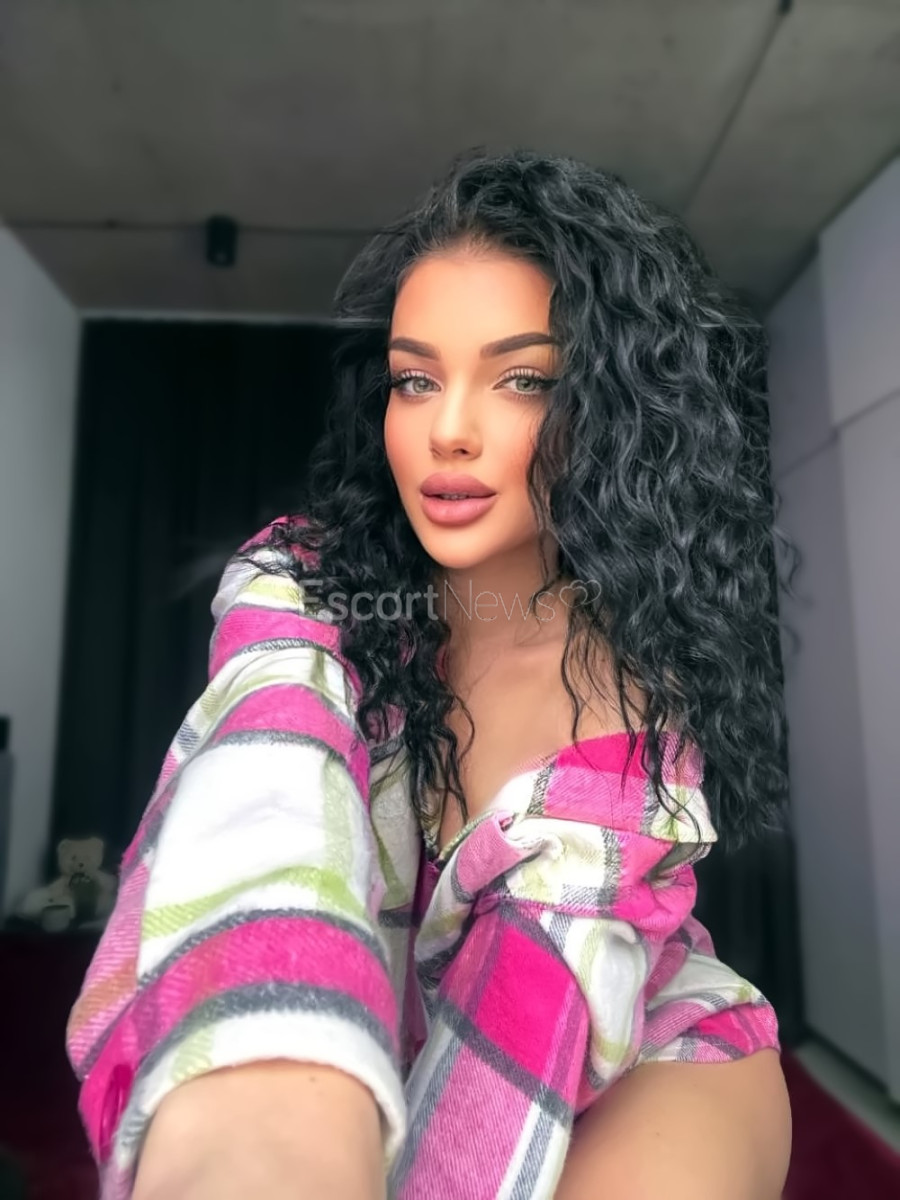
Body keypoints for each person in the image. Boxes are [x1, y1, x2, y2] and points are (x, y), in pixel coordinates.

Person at [66, 148, 793, 1200]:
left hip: (623, 1041)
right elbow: (266, 790)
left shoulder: (637, 708)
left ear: (616, 408)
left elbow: (521, 1041)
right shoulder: (303, 588)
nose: (448, 430)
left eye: (523, 379)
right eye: (417, 379)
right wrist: (258, 1104)